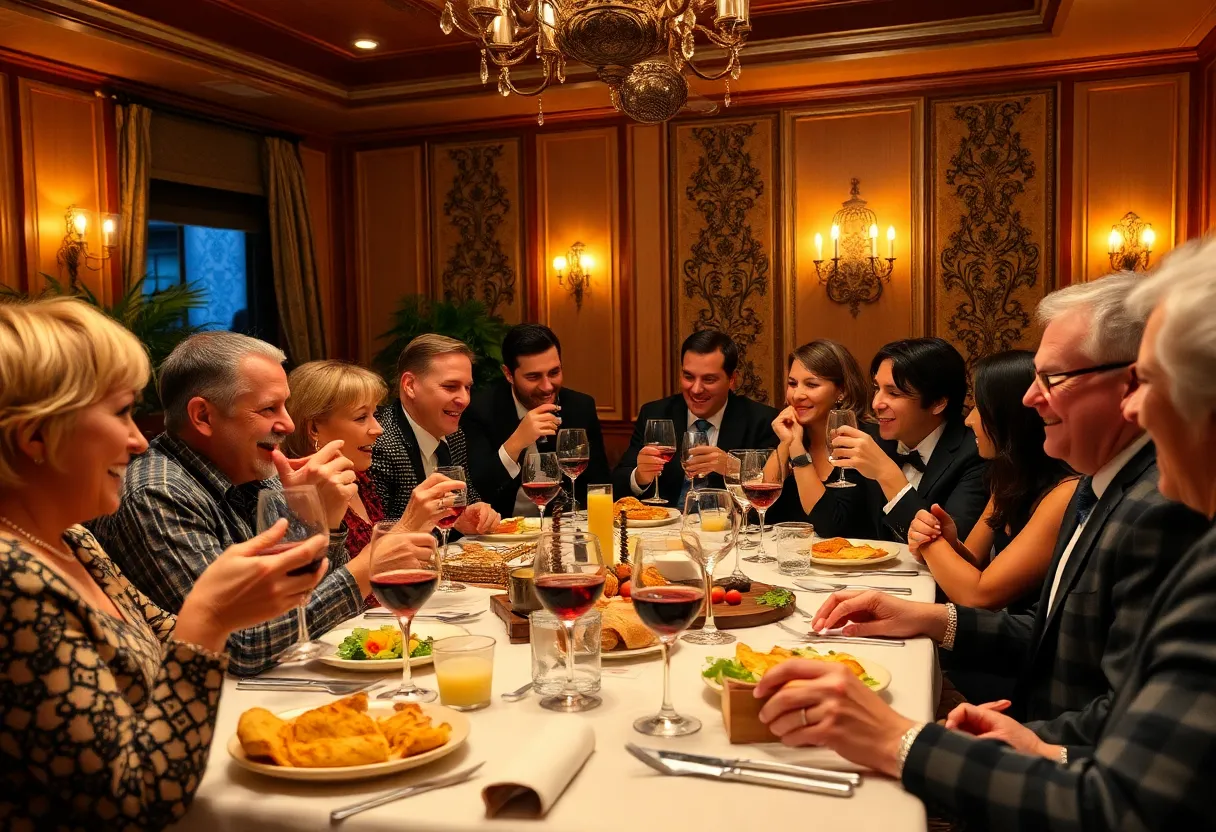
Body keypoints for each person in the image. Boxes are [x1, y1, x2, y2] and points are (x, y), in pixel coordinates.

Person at [753, 238, 1216, 831]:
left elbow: (1124, 799)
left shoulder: (1157, 510)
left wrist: (900, 741)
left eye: (1149, 382)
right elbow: (1060, 644)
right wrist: (928, 620)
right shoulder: (1094, 490)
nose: (1136, 408)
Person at [0, 298, 329, 829]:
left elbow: (168, 645)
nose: (137, 440)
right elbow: (133, 803)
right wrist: (212, 618)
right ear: (35, 435)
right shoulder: (11, 579)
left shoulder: (74, 542)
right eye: (120, 412)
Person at [90, 332, 372, 677]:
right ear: (203, 417)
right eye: (269, 408)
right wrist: (363, 571)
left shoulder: (255, 468)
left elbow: (303, 612)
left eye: (285, 405)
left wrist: (317, 520)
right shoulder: (159, 494)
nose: (289, 424)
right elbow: (239, 648)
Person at [907, 350, 1078, 613]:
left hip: (1031, 644)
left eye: (979, 407)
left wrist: (931, 544)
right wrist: (948, 542)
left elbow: (979, 595)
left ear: (1011, 417)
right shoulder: (1010, 477)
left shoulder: (1065, 493)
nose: (969, 420)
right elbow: (973, 562)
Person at [284, 360, 467, 561]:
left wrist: (424, 521)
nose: (378, 429)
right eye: (361, 417)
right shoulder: (295, 494)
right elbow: (330, 588)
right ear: (314, 429)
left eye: (375, 414)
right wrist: (409, 523)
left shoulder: (359, 479)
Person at [829, 337, 989, 542]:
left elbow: (953, 547)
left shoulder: (974, 453)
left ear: (938, 402)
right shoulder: (875, 442)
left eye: (894, 393)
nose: (876, 403)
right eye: (877, 388)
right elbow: (837, 526)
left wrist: (886, 473)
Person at [612, 330, 777, 507]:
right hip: (666, 530)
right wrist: (640, 476)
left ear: (732, 380)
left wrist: (734, 469)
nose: (696, 389)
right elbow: (617, 485)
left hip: (727, 528)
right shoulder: (655, 413)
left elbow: (778, 501)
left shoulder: (762, 420)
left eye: (709, 379)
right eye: (688, 377)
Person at [464, 323, 610, 518]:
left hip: (564, 527)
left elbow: (598, 484)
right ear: (508, 374)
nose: (547, 386)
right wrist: (516, 443)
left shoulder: (580, 407)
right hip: (502, 530)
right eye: (533, 376)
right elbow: (478, 490)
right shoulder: (479, 409)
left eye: (554, 372)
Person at [368, 334, 499, 534]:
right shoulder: (379, 442)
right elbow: (376, 535)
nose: (464, 400)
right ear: (410, 385)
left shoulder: (454, 435)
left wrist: (475, 512)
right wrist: (444, 525)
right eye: (450, 387)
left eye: (468, 388)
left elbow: (466, 500)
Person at [764, 339, 876, 537]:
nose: (797, 395)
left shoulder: (861, 442)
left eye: (811, 385)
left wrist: (796, 449)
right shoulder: (792, 433)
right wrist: (786, 442)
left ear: (842, 391)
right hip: (791, 562)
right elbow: (761, 509)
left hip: (853, 564)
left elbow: (830, 526)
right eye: (792, 384)